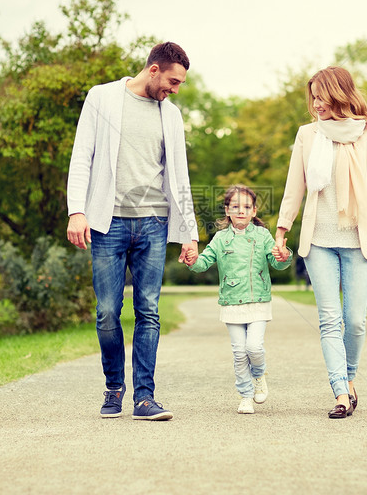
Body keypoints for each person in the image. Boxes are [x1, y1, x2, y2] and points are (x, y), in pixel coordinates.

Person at [66, 42, 199, 421]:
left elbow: (180, 177)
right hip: (109, 223)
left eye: (180, 84)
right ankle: (114, 387)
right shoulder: (103, 97)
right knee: (108, 312)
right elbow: (82, 157)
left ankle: (144, 397)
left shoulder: (170, 115)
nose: (175, 89)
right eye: (173, 81)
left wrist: (189, 231)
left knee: (149, 312)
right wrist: (77, 210)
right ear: (154, 69)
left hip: (154, 223)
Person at [274, 66, 367, 419]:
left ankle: (350, 378)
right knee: (329, 319)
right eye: (312, 98)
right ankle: (341, 391)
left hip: (360, 238)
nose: (315, 104)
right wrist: (282, 229)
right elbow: (294, 187)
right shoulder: (307, 135)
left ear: (339, 93)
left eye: (320, 96)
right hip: (319, 240)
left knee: (355, 320)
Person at [186, 185, 292, 414]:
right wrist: (192, 260)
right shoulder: (220, 238)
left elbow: (276, 262)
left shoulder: (262, 236)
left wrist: (283, 256)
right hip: (232, 302)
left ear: (254, 211)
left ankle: (259, 375)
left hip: (258, 300)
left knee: (254, 347)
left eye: (246, 207)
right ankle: (245, 396)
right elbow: (203, 262)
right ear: (227, 211)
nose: (241, 211)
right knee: (239, 352)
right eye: (235, 207)